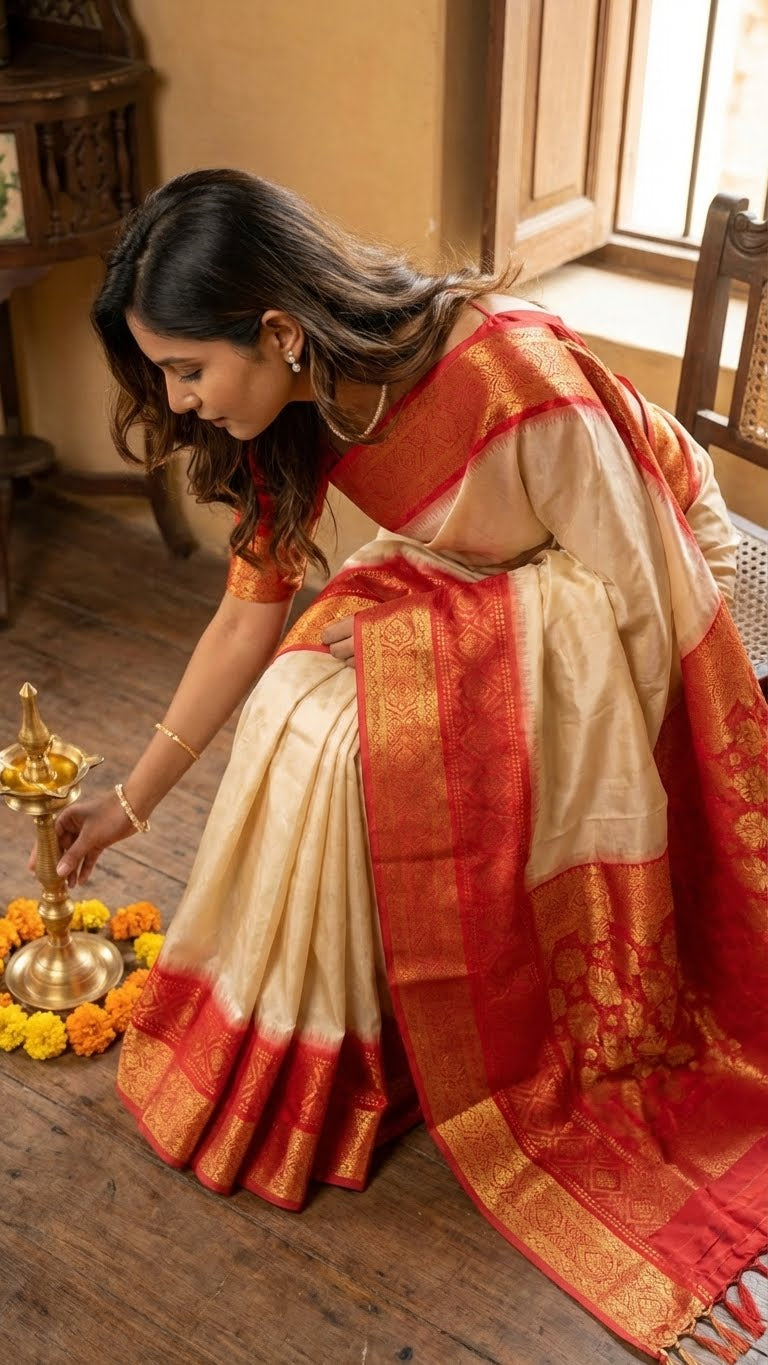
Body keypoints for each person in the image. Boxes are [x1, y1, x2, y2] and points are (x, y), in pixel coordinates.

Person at [56, 169, 767, 1362]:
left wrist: (436, 655)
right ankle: (345, 1024)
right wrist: (129, 805)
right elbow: (246, 620)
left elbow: (649, 602)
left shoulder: (507, 379)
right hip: (505, 565)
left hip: (658, 565)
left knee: (350, 715)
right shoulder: (293, 409)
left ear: (278, 331)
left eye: (189, 369)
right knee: (300, 690)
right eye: (165, 376)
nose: (180, 403)